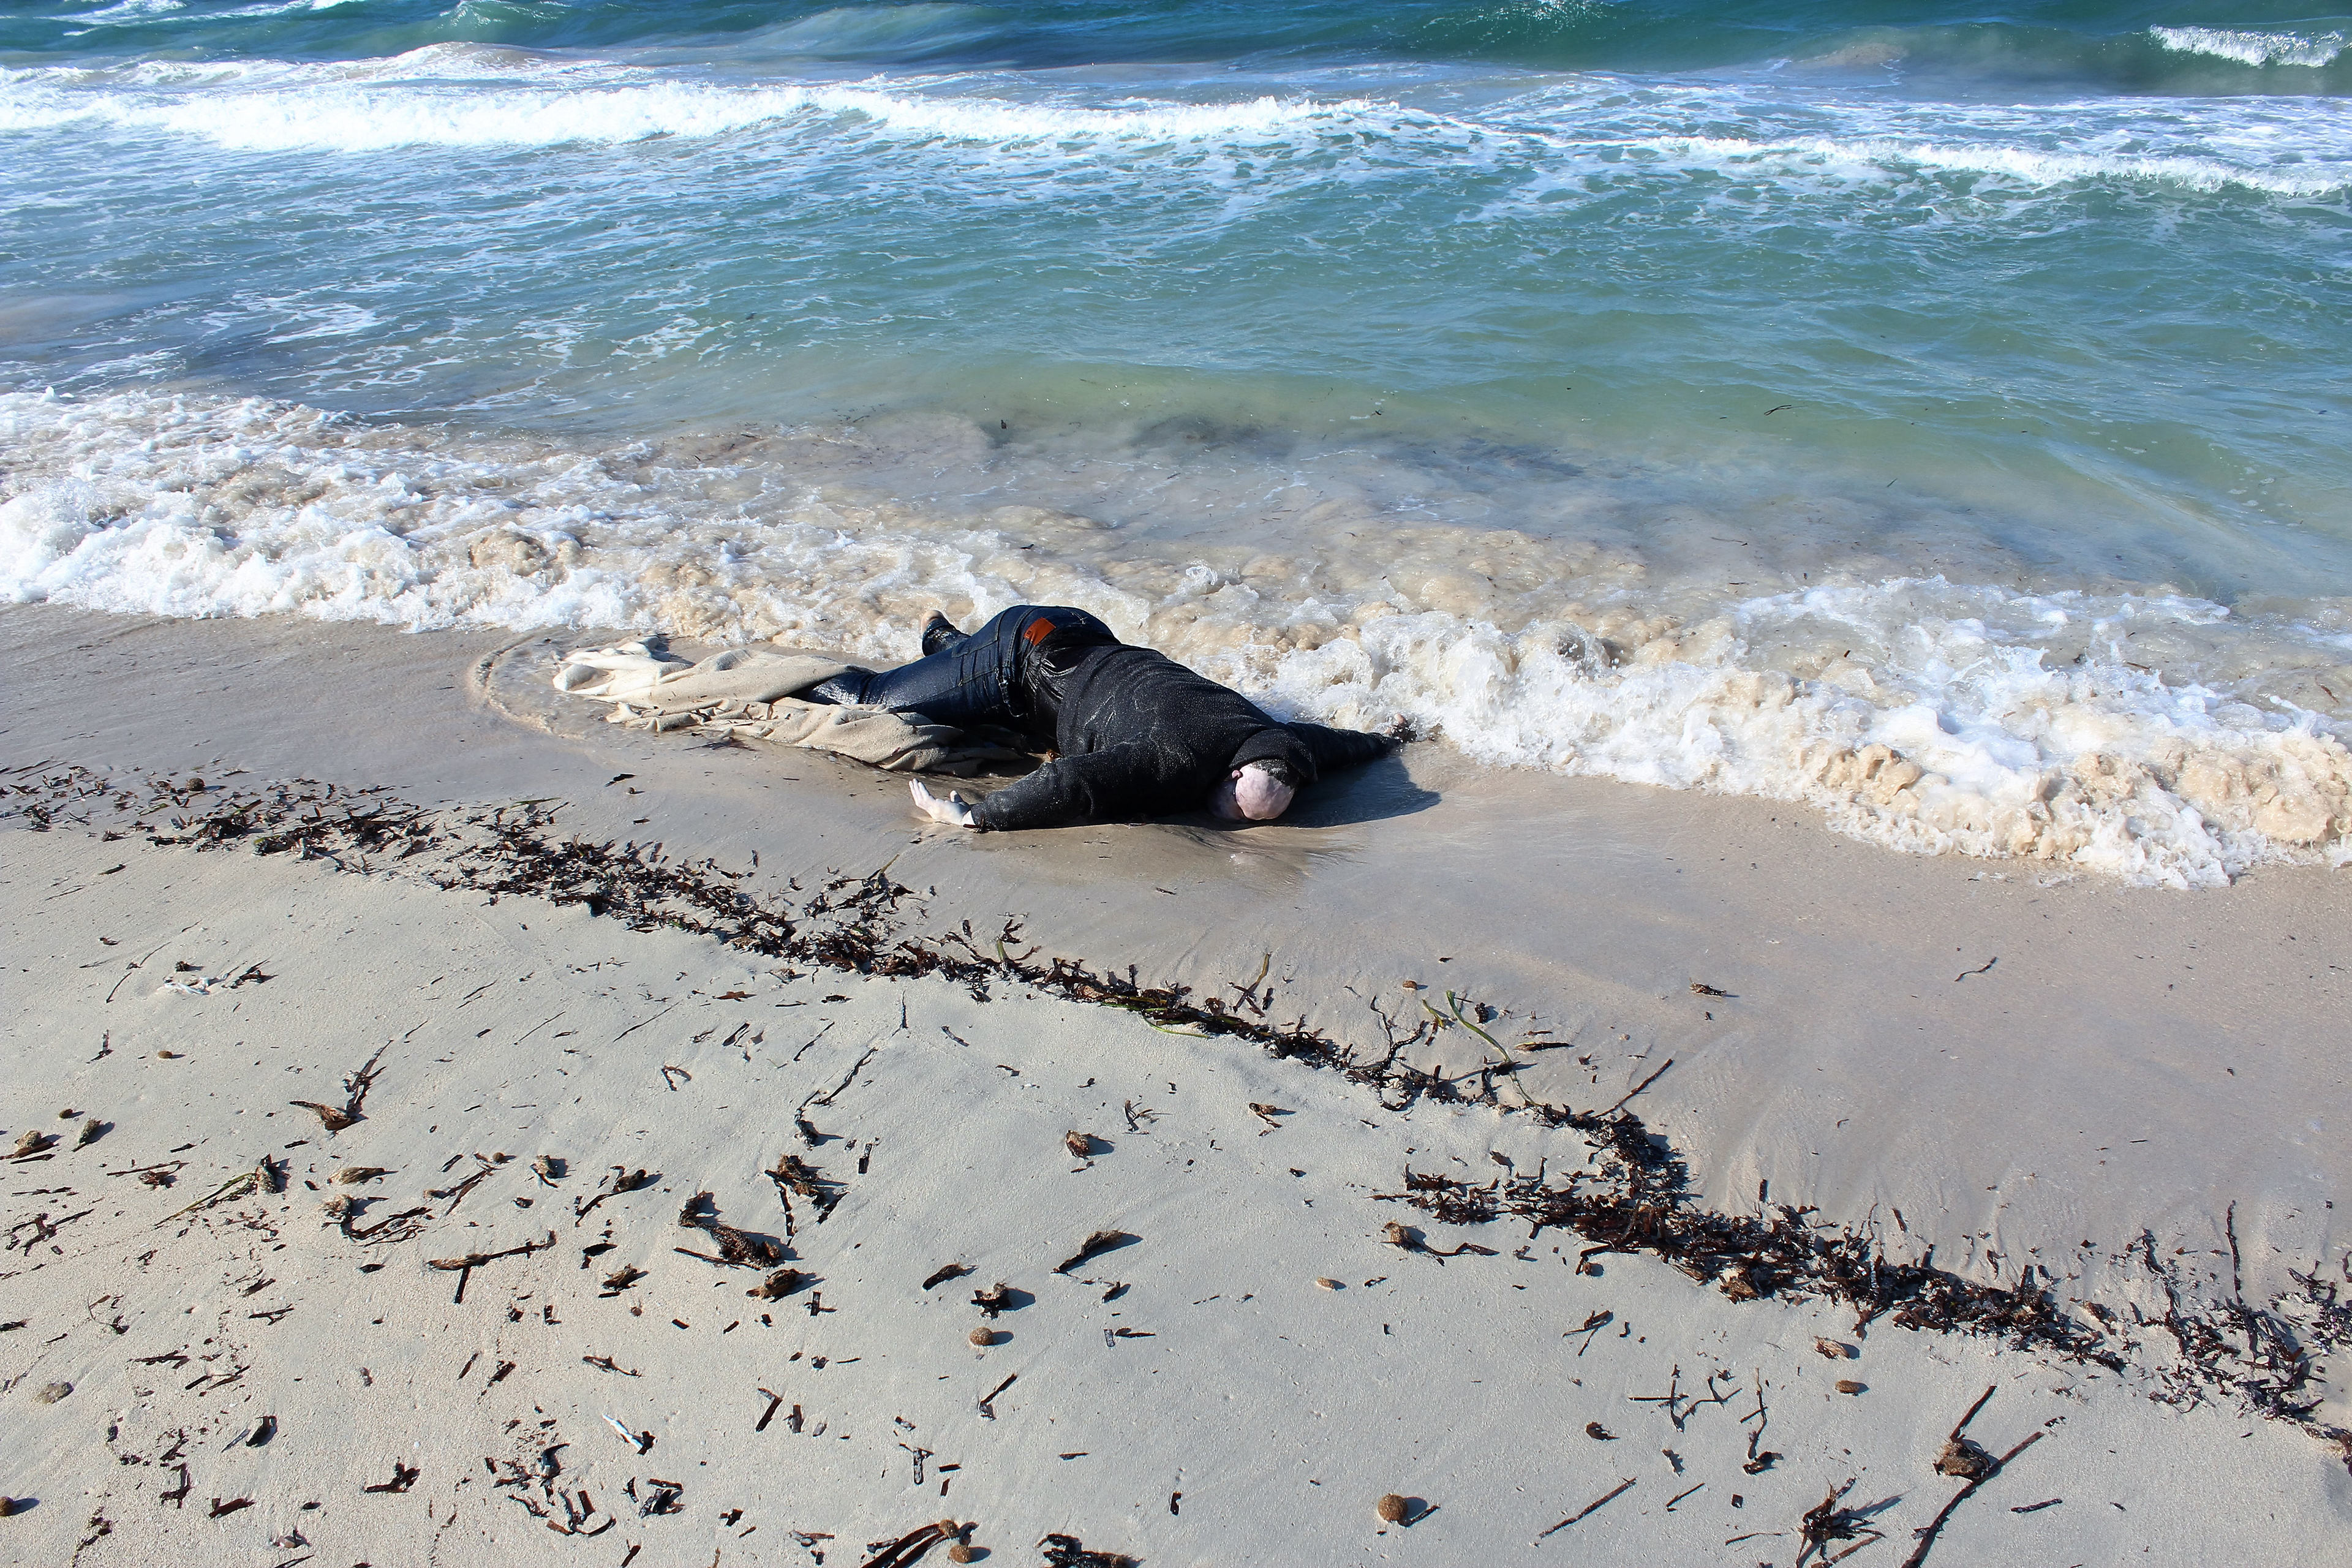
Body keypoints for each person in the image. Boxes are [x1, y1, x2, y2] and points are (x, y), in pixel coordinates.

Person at [803, 605, 1396, 831]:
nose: (1231, 818)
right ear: (1234, 774)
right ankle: (800, 674)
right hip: (1028, 651)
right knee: (871, 702)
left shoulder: (1285, 745)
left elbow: (1342, 744)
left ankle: (950, 643)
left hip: (1081, 646)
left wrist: (1389, 736)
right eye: (1232, 806)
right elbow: (1069, 783)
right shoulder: (1174, 759)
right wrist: (973, 816)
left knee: (967, 679)